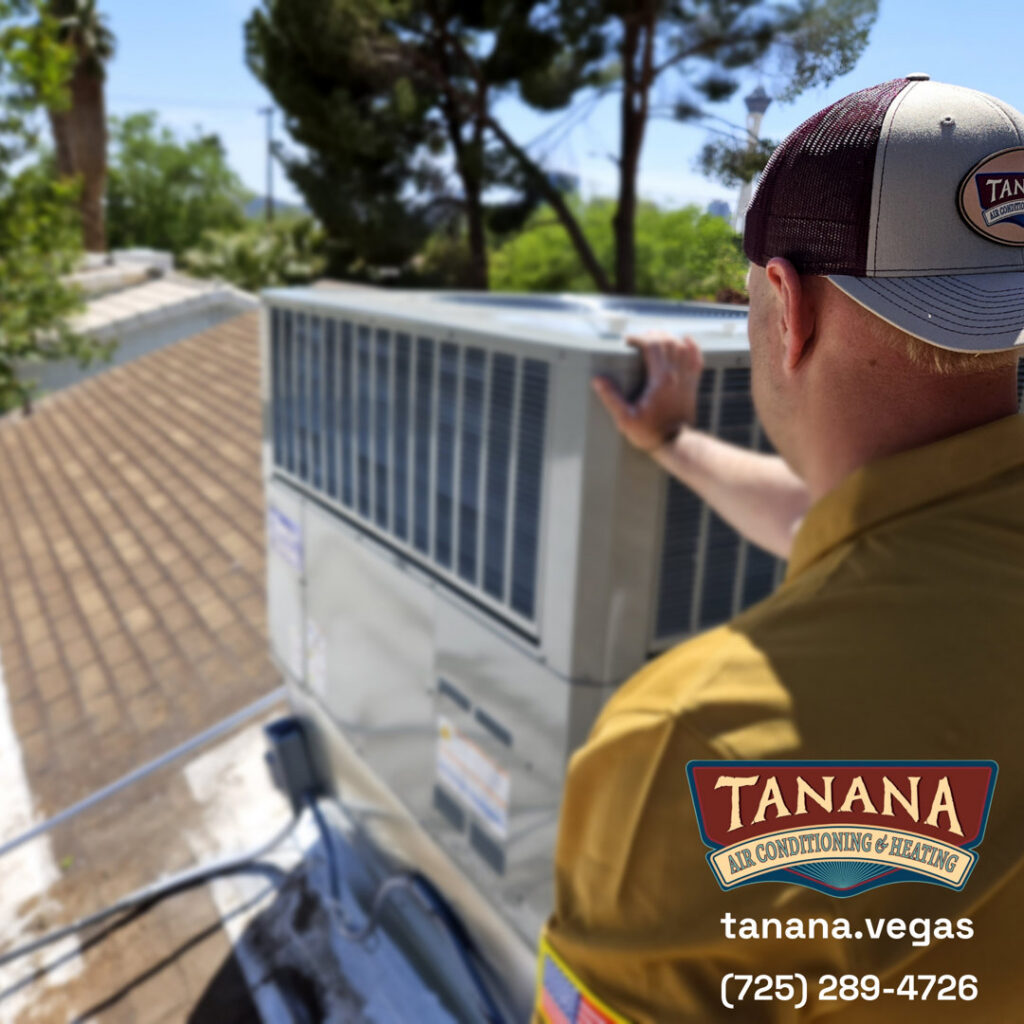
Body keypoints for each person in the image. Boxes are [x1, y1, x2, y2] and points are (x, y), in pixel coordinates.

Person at [532, 75, 1024, 1023]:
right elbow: (848, 533)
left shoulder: (691, 742)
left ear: (786, 307)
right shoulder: (969, 557)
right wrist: (675, 443)